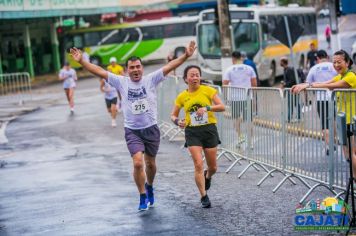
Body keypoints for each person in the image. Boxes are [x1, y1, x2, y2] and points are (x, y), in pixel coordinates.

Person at [70, 41, 196, 211]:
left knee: (150, 164)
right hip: (132, 131)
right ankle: (142, 194)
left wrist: (186, 56)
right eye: (132, 67)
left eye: (138, 67)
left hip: (151, 128)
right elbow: (99, 71)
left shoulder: (151, 79)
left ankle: (149, 185)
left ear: (142, 68)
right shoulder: (121, 81)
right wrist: (82, 62)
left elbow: (169, 66)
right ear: (127, 70)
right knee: (138, 163)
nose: (135, 70)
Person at [292, 49, 356, 177]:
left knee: (353, 153)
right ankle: (354, 181)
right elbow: (323, 83)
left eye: (339, 62)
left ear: (347, 62)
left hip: (353, 120)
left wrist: (308, 86)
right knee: (349, 152)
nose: (336, 65)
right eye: (334, 62)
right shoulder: (340, 76)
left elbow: (331, 86)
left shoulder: (351, 77)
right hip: (345, 120)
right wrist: (306, 84)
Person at [171, 65, 225, 208]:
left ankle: (208, 176)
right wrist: (177, 121)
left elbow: (222, 107)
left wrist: (207, 108)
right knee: (198, 164)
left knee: (213, 167)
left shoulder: (208, 90)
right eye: (191, 75)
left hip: (209, 130)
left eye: (197, 75)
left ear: (200, 77)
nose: (195, 77)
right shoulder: (182, 96)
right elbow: (173, 115)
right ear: (185, 79)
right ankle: (203, 196)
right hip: (192, 132)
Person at [306, 50, 337, 154]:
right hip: (334, 98)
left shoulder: (314, 68)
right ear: (327, 56)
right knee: (334, 121)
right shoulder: (334, 66)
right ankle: (335, 142)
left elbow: (307, 83)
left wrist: (308, 99)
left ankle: (329, 146)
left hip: (321, 99)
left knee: (325, 124)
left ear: (317, 58)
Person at [223, 51, 257, 145]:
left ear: (233, 58)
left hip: (235, 98)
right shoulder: (249, 68)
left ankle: (240, 137)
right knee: (249, 119)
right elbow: (254, 83)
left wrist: (225, 98)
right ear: (241, 58)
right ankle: (251, 140)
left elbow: (224, 84)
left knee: (236, 119)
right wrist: (253, 96)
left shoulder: (229, 69)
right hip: (247, 97)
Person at [280, 57, 301, 122]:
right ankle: (291, 118)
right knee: (292, 104)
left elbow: (292, 80)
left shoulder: (289, 70)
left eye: (281, 62)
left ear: (283, 62)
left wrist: (284, 84)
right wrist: (283, 82)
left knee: (294, 104)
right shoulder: (285, 69)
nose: (280, 63)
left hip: (292, 89)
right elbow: (287, 79)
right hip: (289, 90)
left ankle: (296, 118)